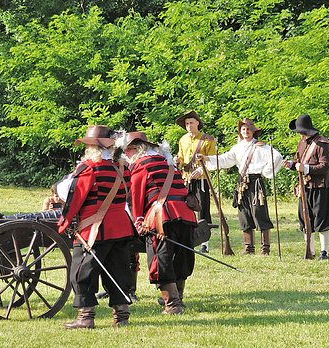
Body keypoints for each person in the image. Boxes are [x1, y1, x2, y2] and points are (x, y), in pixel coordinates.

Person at [57, 125, 135, 329]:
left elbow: (72, 196)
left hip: (95, 229)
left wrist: (65, 221)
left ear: (94, 147)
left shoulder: (90, 168)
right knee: (119, 271)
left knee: (83, 271)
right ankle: (122, 316)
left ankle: (85, 317)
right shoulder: (123, 168)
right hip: (121, 227)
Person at [122, 131, 197, 315]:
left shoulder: (140, 165)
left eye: (127, 151)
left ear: (135, 150)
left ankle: (172, 305)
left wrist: (138, 221)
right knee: (181, 258)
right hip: (186, 215)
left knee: (159, 258)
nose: (126, 156)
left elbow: (136, 196)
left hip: (162, 217)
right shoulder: (168, 163)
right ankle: (177, 297)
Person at [199, 118, 282, 255]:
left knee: (259, 212)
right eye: (243, 129)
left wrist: (264, 172)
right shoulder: (237, 148)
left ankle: (265, 248)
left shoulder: (261, 146)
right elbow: (224, 159)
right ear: (240, 132)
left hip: (256, 183)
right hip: (242, 183)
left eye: (248, 129)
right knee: (244, 214)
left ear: (253, 131)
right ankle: (248, 247)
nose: (246, 131)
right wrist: (207, 158)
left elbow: (277, 157)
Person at [281, 114, 329, 260]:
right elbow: (297, 163)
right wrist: (290, 165)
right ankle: (309, 251)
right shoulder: (301, 143)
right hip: (305, 188)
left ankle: (324, 252)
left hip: (321, 187)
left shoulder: (322, 143)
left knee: (321, 220)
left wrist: (305, 168)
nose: (298, 133)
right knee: (305, 220)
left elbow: (325, 166)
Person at [174, 110, 216, 253]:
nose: (189, 126)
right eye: (186, 123)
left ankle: (205, 244)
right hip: (186, 179)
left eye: (191, 123)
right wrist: (178, 162)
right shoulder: (182, 140)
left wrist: (201, 171)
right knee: (185, 209)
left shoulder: (208, 140)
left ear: (197, 123)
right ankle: (188, 239)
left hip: (202, 180)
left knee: (202, 210)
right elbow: (182, 161)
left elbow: (213, 162)